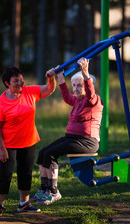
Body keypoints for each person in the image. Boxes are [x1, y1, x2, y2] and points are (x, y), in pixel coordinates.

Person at [30, 57, 104, 205]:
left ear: (87, 85)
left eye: (79, 86)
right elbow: (66, 96)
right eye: (74, 86)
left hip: (87, 141)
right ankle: (44, 189)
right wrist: (60, 77)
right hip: (72, 138)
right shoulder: (77, 100)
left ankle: (53, 191)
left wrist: (85, 73)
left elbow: (90, 92)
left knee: (51, 155)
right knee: (43, 153)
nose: (75, 89)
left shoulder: (93, 100)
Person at [0, 66, 56, 216]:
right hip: (8, 145)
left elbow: (49, 89)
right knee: (5, 174)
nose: (20, 83)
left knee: (25, 173)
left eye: (21, 80)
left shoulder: (29, 91)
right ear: (7, 83)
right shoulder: (0, 103)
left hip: (28, 141)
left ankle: (23, 204)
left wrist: (50, 78)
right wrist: (1, 148)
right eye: (16, 81)